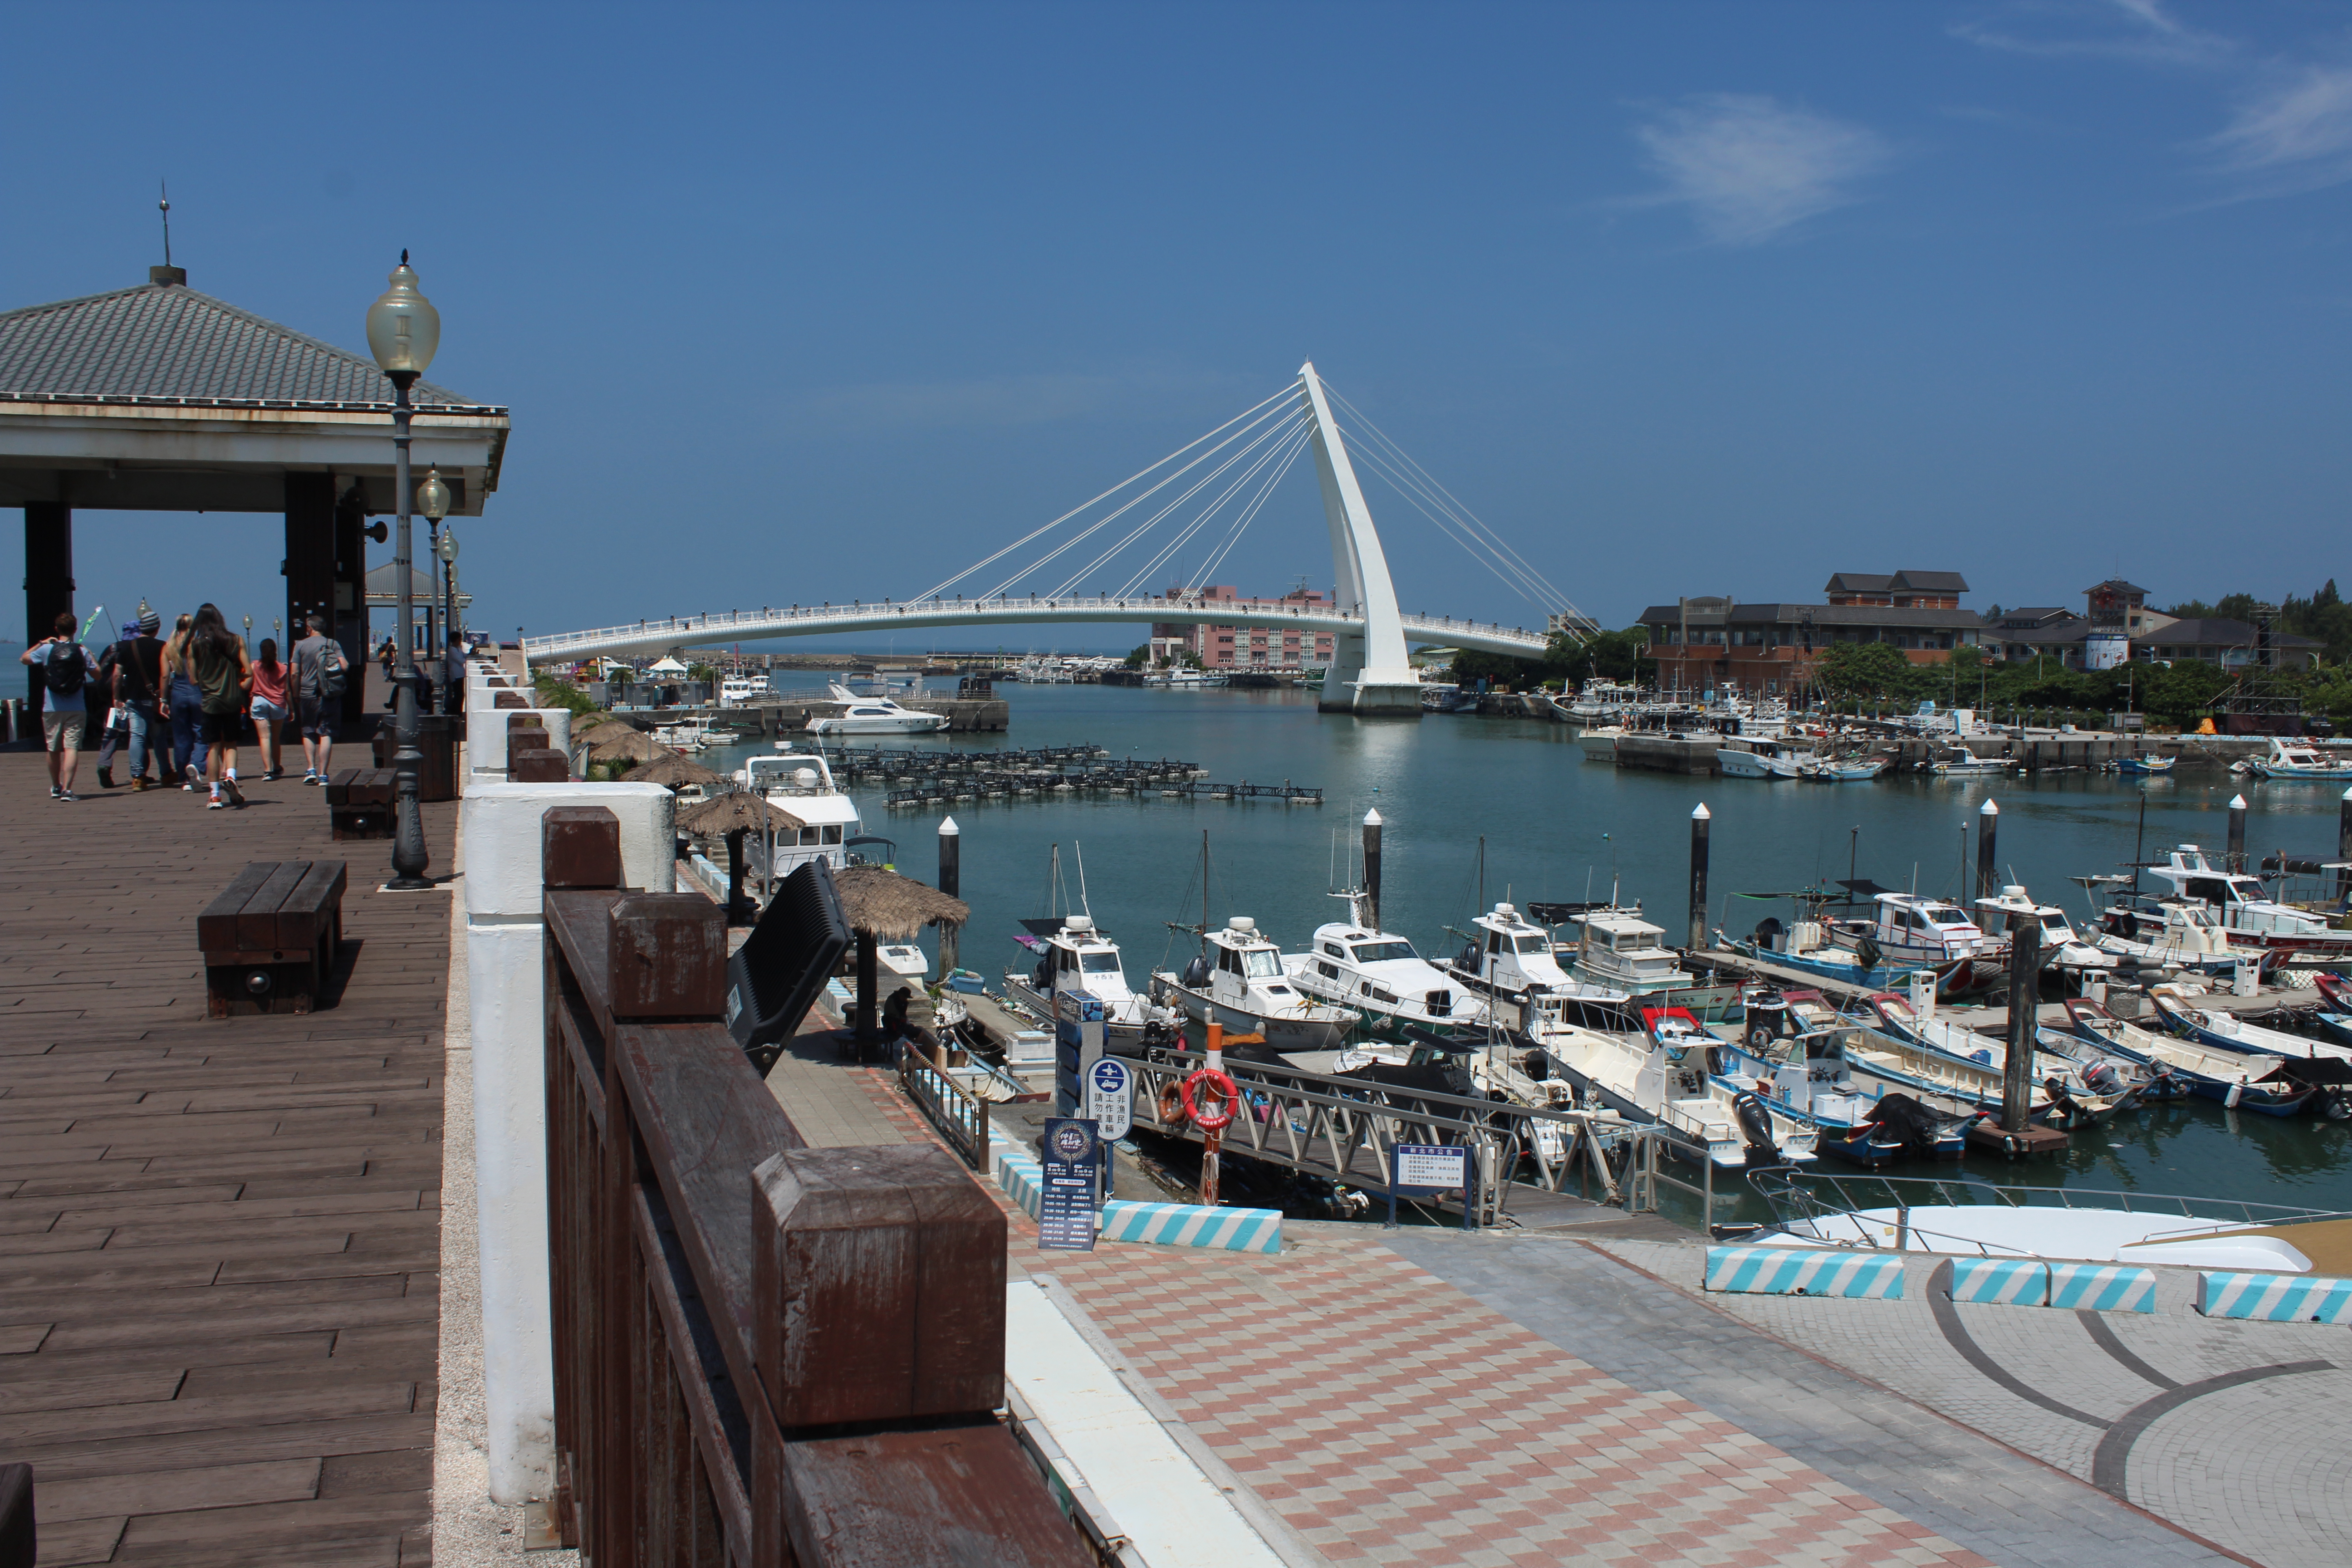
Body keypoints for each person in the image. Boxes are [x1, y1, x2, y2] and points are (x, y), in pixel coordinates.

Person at [175, 603, 251, 808]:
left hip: (210, 702)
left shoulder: (195, 645)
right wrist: (235, 681)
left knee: (213, 747)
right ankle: (231, 777)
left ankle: (215, 796)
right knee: (231, 744)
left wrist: (208, 679)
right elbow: (248, 672)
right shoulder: (236, 640)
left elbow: (193, 680)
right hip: (233, 700)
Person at [18, 611, 91, 800]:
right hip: (76, 706)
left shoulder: (47, 649)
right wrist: (88, 653)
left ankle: (56, 786)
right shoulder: (81, 651)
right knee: (71, 748)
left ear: (57, 629)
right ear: (75, 630)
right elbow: (98, 674)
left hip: (52, 707)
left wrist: (41, 643)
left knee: (53, 749)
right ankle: (68, 790)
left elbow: (24, 659)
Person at [95, 606, 165, 789]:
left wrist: (113, 697)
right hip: (137, 695)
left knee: (113, 733)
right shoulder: (141, 647)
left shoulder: (113, 648)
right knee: (141, 735)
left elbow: (103, 673)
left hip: (116, 700)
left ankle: (104, 764)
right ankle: (142, 773)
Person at [161, 613, 207, 787]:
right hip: (197, 692)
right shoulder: (198, 645)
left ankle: (184, 778)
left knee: (181, 737)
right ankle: (196, 764)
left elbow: (165, 676)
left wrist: (163, 699)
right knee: (202, 733)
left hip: (178, 694)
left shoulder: (168, 647)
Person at [294, 614, 338, 784]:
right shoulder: (333, 644)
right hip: (328, 694)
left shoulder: (300, 645)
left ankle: (311, 769)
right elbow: (344, 666)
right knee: (326, 733)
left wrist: (295, 693)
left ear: (309, 628)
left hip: (307, 694)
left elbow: (294, 673)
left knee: (308, 731)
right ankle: (324, 774)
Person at [248, 636, 290, 779]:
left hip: (259, 702)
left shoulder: (255, 666)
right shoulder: (283, 668)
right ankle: (277, 767)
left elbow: (247, 682)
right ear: (275, 651)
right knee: (275, 739)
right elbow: (287, 691)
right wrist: (292, 709)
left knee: (264, 737)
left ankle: (268, 771)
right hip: (277, 704)